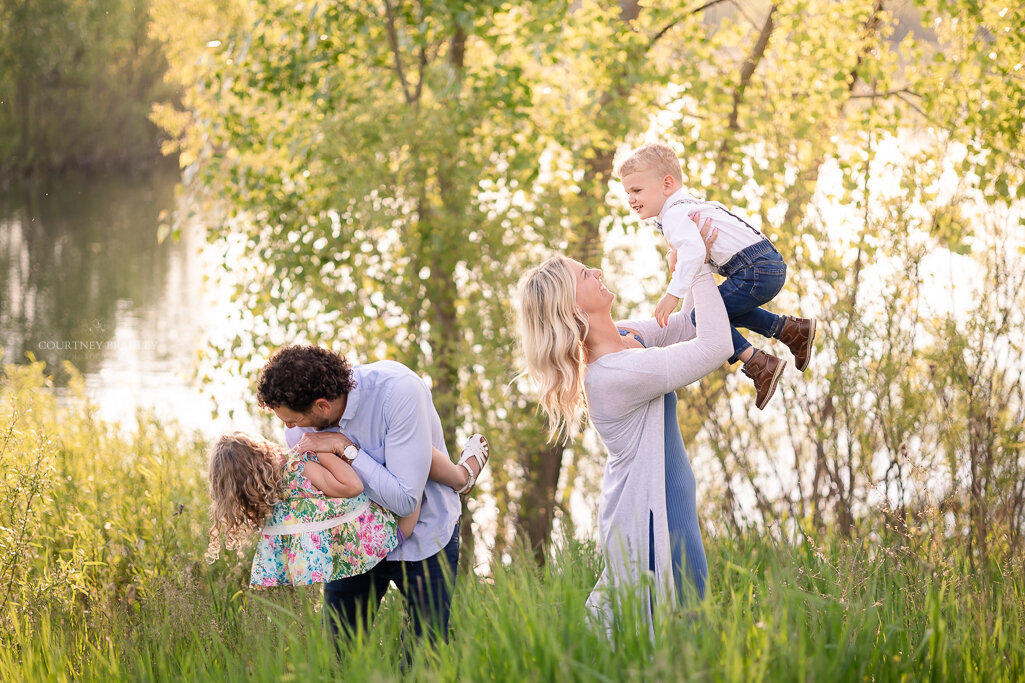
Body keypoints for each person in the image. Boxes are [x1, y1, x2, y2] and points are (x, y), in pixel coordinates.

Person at [517, 220, 730, 633]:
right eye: (584, 274)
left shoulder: (628, 337)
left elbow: (691, 324)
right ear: (573, 308)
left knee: (688, 638)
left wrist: (687, 264)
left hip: (673, 508)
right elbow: (716, 346)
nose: (596, 271)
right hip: (655, 521)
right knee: (679, 639)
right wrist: (700, 268)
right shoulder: (613, 373)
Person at [255, 345, 487, 641]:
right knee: (337, 653)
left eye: (292, 420)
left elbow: (405, 501)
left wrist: (346, 448)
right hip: (355, 543)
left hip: (426, 532)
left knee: (425, 655)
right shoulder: (301, 432)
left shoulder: (397, 392)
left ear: (323, 406)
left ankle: (461, 477)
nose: (288, 429)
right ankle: (460, 476)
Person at [618, 142, 817, 409]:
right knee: (711, 310)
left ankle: (759, 363)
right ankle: (790, 330)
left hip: (754, 269)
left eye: (636, 190)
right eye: (627, 192)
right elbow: (711, 251)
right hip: (764, 263)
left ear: (667, 184)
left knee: (702, 316)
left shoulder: (675, 215)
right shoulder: (692, 205)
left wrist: (672, 294)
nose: (630, 199)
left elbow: (694, 252)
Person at [205, 431, 489, 588]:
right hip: (388, 534)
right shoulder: (300, 467)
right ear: (260, 450)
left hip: (349, 562)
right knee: (416, 451)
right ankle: (464, 475)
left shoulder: (263, 501)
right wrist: (326, 449)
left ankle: (459, 477)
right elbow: (352, 486)